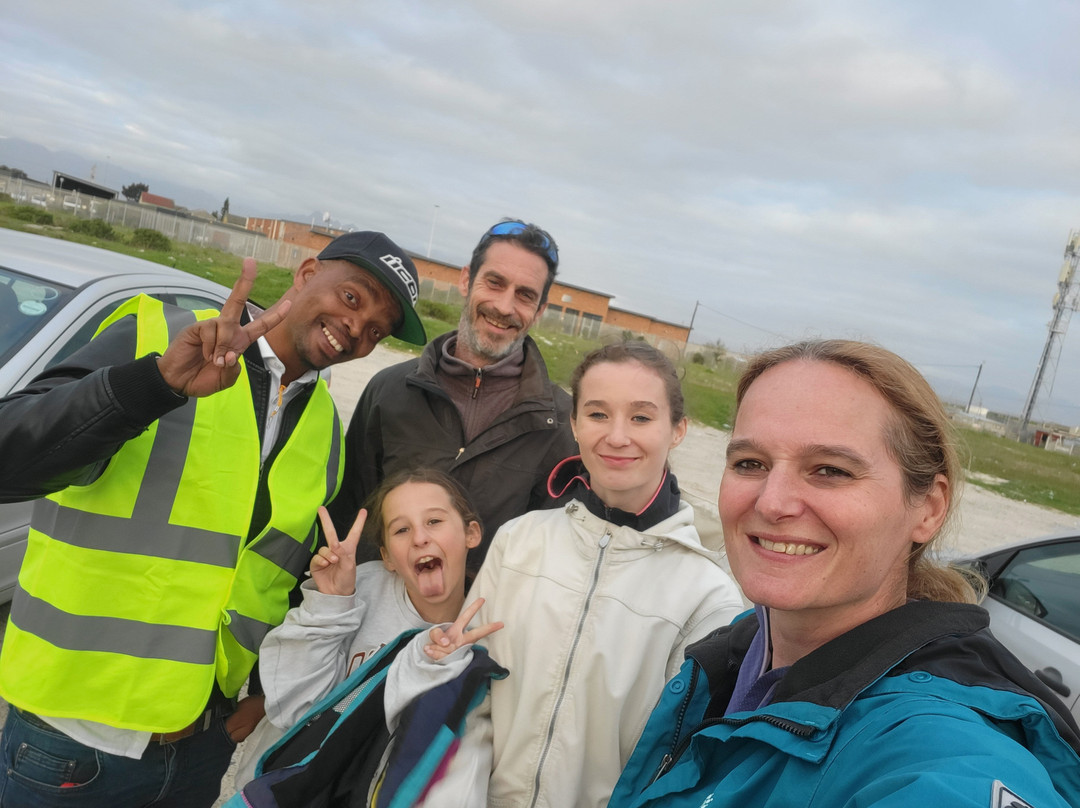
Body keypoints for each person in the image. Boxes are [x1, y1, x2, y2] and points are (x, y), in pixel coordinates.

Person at [0, 230, 426, 807]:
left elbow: (273, 575)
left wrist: (253, 698)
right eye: (353, 298)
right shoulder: (161, 334)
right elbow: (12, 456)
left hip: (199, 750)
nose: (358, 329)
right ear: (305, 275)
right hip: (73, 742)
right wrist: (151, 385)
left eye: (377, 329)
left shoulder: (325, 426)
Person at [610, 340, 1080, 808]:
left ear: (928, 509)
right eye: (750, 463)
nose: (772, 502)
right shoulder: (739, 650)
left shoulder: (936, 747)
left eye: (830, 470)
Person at [387, 341, 746, 807]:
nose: (617, 436)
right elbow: (474, 700)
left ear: (678, 430)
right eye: (597, 414)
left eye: (641, 417)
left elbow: (680, 765)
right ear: (574, 424)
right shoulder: (519, 541)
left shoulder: (708, 596)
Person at [330, 218, 578, 570]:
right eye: (494, 283)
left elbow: (551, 563)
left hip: (483, 623)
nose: (505, 307)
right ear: (466, 280)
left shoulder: (561, 424)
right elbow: (348, 519)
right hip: (375, 617)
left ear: (539, 312)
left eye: (525, 295)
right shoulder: (389, 391)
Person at [234, 468, 493, 787]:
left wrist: (439, 672)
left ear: (472, 534)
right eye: (401, 530)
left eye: (434, 521)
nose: (420, 537)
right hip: (281, 790)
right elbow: (293, 707)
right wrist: (331, 603)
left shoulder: (489, 632)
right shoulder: (361, 588)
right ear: (388, 557)